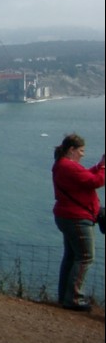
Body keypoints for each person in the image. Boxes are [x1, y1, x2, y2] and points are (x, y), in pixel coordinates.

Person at [51, 133, 105, 312]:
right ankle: (73, 298)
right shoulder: (67, 166)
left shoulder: (64, 165)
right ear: (71, 150)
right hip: (76, 219)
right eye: (81, 151)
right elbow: (96, 181)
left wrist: (99, 166)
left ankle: (64, 297)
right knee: (85, 257)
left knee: (71, 257)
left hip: (68, 216)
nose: (83, 154)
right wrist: (104, 167)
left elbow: (86, 176)